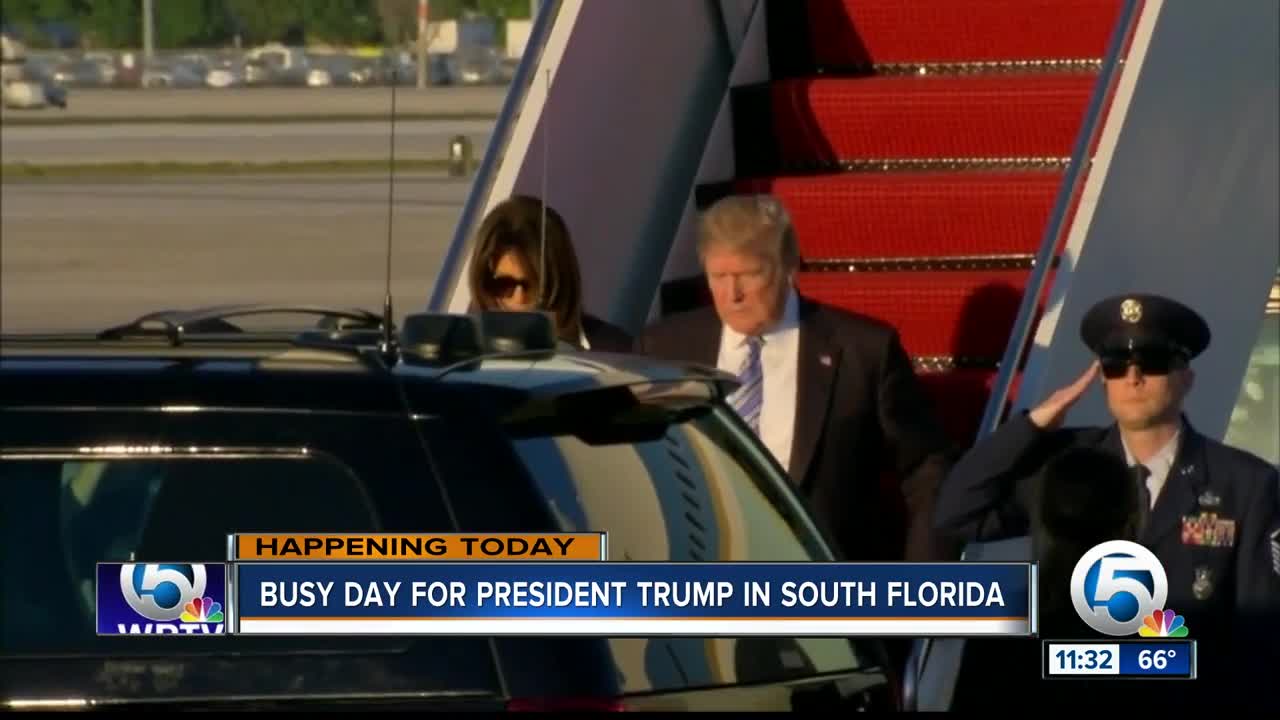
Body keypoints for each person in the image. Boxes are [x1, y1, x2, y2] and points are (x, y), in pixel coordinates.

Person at [934, 292, 1280, 707]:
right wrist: (1034, 425)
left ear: (1186, 376)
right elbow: (958, 511)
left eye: (1151, 361)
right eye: (1116, 365)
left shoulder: (1246, 484)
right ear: (1102, 379)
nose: (1132, 378)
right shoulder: (1064, 468)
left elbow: (1260, 638)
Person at [635, 194, 959, 565]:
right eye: (719, 277)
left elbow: (927, 470)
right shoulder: (664, 348)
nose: (732, 295)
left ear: (789, 266)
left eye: (749, 275)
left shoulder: (862, 351)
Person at [467, 194, 633, 352]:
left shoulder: (616, 353)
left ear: (560, 281)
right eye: (504, 285)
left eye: (535, 283)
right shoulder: (459, 363)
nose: (520, 298)